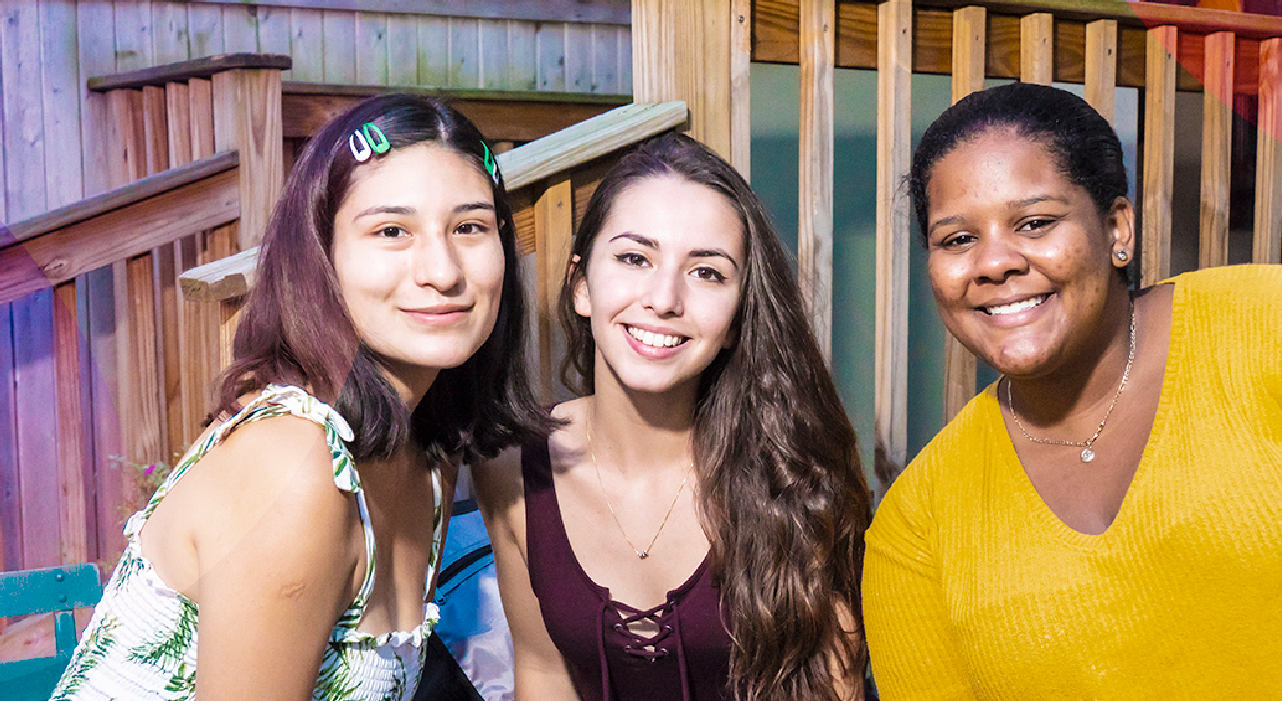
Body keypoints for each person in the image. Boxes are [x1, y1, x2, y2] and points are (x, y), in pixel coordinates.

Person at [863, 81, 1282, 699]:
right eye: (957, 239)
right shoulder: (917, 528)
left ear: (1118, 229)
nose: (993, 263)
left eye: (1035, 223)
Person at [50, 93, 551, 701]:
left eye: (469, 227)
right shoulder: (295, 463)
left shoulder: (428, 455)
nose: (442, 270)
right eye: (392, 231)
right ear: (321, 258)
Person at [473, 132, 871, 701]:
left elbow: (835, 688)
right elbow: (541, 670)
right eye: (635, 258)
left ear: (736, 317)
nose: (664, 299)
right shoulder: (512, 464)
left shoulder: (798, 472)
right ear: (581, 285)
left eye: (707, 272)